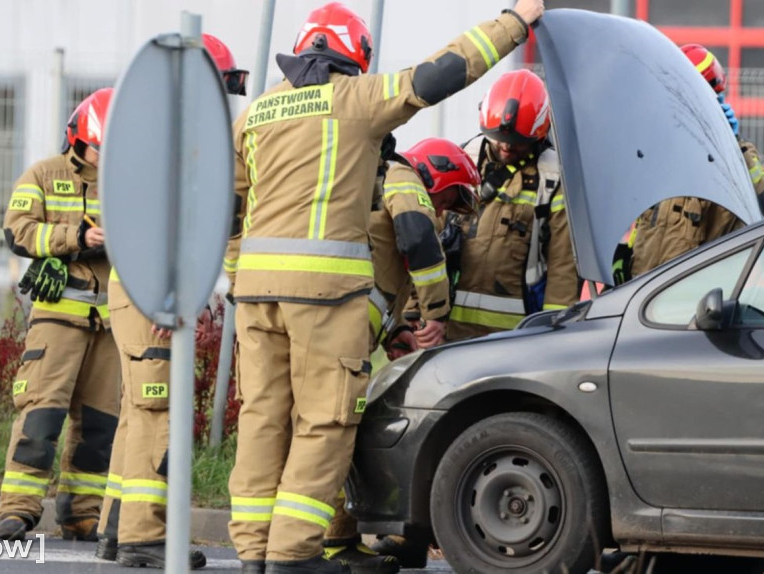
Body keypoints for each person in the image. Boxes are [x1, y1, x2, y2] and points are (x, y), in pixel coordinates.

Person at [221, 1, 544, 572]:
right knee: (324, 421)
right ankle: (292, 555)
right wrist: (515, 21)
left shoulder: (256, 114)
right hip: (324, 299)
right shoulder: (358, 100)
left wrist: (238, 271)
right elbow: (443, 72)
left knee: (262, 419)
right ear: (355, 59)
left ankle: (252, 553)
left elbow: (225, 206)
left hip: (254, 296)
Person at [93, 34, 250, 570]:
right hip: (151, 293)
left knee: (138, 415)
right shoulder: (179, 147)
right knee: (158, 415)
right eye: (221, 87)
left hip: (138, 288)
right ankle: (146, 538)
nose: (223, 101)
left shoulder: (160, 138)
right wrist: (171, 299)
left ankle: (117, 528)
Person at [320, 137, 480, 574]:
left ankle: (276, 547)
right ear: (438, 175)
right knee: (335, 426)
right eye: (450, 197)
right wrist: (436, 314)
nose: (445, 210)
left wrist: (394, 331)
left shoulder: (377, 181)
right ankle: (334, 544)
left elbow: (375, 269)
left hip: (331, 323)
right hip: (341, 328)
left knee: (310, 426)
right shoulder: (404, 178)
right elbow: (415, 237)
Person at [0, 88, 119, 542]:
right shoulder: (44, 175)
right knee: (41, 418)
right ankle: (17, 510)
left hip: (110, 325)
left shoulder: (127, 179)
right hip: (57, 319)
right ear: (78, 139)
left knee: (99, 428)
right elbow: (18, 229)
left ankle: (81, 515)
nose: (106, 159)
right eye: (99, 149)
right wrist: (73, 239)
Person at [443, 69, 579, 343]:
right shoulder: (462, 159)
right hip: (449, 332)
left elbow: (563, 264)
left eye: (516, 143)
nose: (505, 146)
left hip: (514, 336)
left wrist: (554, 335)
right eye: (498, 137)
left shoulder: (553, 177)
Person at [627, 43, 764, 279]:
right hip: (642, 300)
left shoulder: (734, 156)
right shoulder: (655, 156)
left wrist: (733, 146)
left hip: (697, 304)